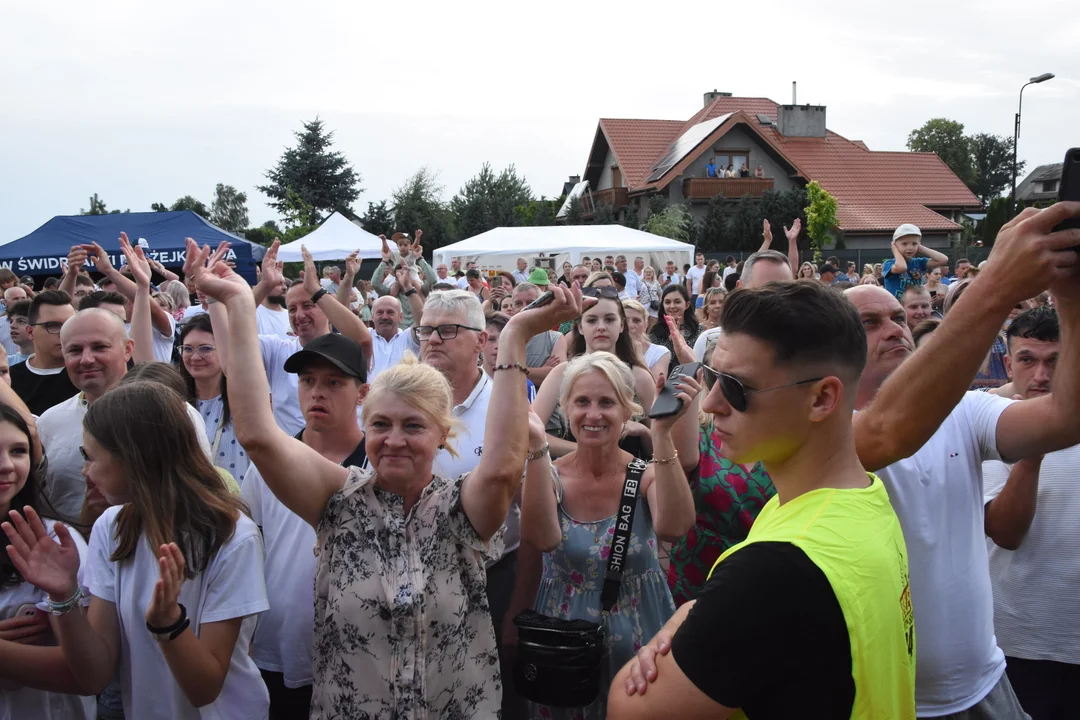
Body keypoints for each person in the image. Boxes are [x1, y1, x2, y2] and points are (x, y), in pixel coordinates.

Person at [193, 239, 585, 718]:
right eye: (380, 424)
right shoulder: (337, 498)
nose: (394, 439)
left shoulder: (462, 510)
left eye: (413, 426)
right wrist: (236, 303)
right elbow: (257, 434)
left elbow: (504, 469)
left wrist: (514, 338)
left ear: (443, 436)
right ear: (365, 425)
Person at [610, 281, 916, 719]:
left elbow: (627, 710)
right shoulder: (864, 497)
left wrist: (682, 619)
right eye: (711, 377)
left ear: (822, 398)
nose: (711, 403)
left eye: (736, 388)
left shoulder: (775, 568)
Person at [836, 202, 1080, 719]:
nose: (897, 329)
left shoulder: (965, 409)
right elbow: (887, 432)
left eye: (900, 317)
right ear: (832, 345)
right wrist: (998, 281)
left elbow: (1066, 416)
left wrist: (1067, 290)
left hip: (986, 683)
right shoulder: (823, 427)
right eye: (871, 322)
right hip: (890, 699)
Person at [3, 374, 270, 719]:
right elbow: (95, 674)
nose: (86, 471)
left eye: (91, 456)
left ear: (134, 459)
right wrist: (63, 596)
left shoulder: (232, 536)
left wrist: (169, 625)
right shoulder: (112, 526)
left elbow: (204, 688)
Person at [521, 352, 699, 720]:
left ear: (627, 410)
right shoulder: (549, 473)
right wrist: (537, 446)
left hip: (640, 632)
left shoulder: (644, 474)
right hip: (565, 642)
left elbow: (675, 526)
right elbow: (541, 537)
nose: (593, 415)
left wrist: (662, 433)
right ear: (566, 408)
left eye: (607, 402)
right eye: (582, 402)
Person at [241, 332, 369, 719]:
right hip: (273, 647)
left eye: (333, 382)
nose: (317, 392)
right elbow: (251, 544)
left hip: (356, 652)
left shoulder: (378, 467)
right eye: (307, 380)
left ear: (361, 393)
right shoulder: (268, 464)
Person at [982, 307, 1078, 719]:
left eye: (1055, 360)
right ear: (1008, 363)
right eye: (1027, 359)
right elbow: (1005, 531)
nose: (1040, 374)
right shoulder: (986, 427)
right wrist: (1035, 444)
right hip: (1018, 642)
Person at [37, 307, 212, 520]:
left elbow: (199, 492)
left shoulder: (174, 413)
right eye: (75, 350)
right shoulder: (49, 422)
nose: (87, 359)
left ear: (128, 349)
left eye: (99, 347)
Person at [0, 397, 96, 720]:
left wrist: (63, 595)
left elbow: (85, 672)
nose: (7, 466)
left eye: (18, 451)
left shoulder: (57, 540)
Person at [215, 241, 372, 435]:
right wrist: (264, 285)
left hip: (343, 460)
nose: (298, 315)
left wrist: (316, 290)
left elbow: (364, 341)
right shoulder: (277, 349)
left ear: (325, 305)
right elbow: (232, 342)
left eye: (307, 306)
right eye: (292, 309)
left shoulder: (345, 349)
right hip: (291, 460)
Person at [535, 288, 656, 458]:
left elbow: (662, 449)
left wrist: (644, 432)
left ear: (621, 325)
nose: (601, 327)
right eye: (592, 320)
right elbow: (532, 433)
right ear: (580, 327)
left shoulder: (639, 377)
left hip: (629, 478)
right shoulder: (562, 373)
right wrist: (585, 451)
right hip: (574, 476)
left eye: (609, 319)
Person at [177, 314, 249, 482]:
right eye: (188, 349)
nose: (195, 357)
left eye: (205, 348)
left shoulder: (242, 402)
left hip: (237, 503)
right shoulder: (176, 402)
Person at [692, 249, 794, 361]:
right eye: (764, 292)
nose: (775, 299)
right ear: (740, 287)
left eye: (784, 290)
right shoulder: (710, 341)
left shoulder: (806, 344)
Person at [8, 291, 77, 416]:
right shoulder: (9, 380)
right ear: (30, 332)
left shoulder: (88, 373)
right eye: (53, 326)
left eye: (69, 324)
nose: (64, 332)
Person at [504, 282, 565, 386]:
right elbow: (496, 374)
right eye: (518, 303)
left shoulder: (555, 338)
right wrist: (542, 370)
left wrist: (512, 369)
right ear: (513, 307)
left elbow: (559, 376)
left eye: (531, 302)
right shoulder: (503, 337)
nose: (524, 308)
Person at [884, 224, 949, 300]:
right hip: (897, 308)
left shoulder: (919, 262)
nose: (910, 247)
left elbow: (943, 259)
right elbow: (902, 267)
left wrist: (920, 248)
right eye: (904, 244)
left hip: (916, 305)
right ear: (895, 245)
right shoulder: (889, 264)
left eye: (914, 244)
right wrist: (895, 250)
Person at [649, 285, 700, 360]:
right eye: (667, 302)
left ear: (687, 305)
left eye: (677, 302)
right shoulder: (656, 332)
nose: (672, 306)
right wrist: (670, 342)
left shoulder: (698, 330)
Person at [623, 299, 670, 380]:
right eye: (625, 320)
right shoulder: (610, 348)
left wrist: (639, 358)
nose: (630, 325)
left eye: (636, 321)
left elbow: (656, 388)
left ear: (646, 325)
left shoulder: (659, 352)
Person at [1, 301, 31, 365]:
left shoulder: (53, 362)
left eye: (21, 321)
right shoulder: (4, 363)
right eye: (11, 321)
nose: (12, 325)